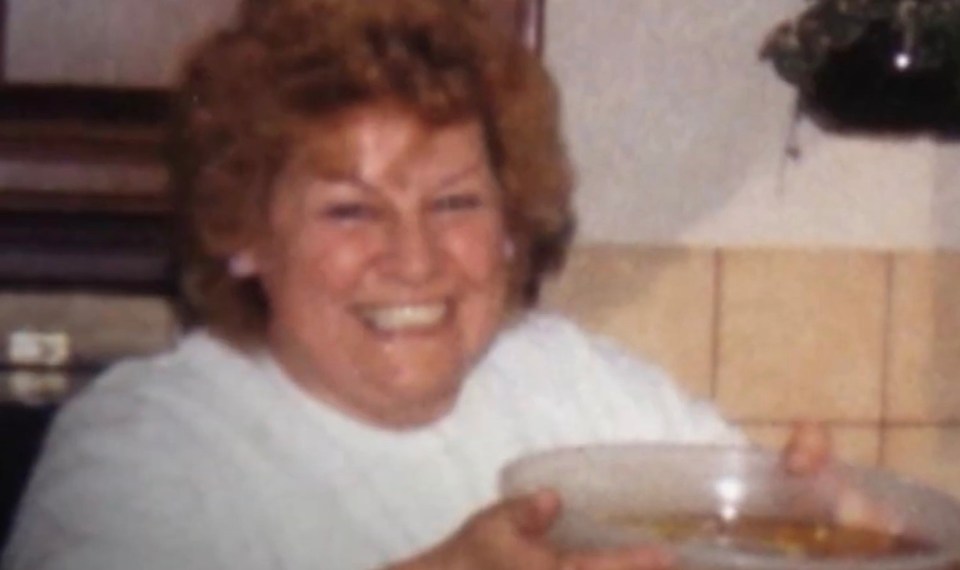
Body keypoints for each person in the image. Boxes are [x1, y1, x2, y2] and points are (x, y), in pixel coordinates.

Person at [2, 1, 829, 569]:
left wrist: (833, 528)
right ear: (245, 234)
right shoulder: (144, 444)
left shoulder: (575, 385)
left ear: (511, 226)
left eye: (455, 202)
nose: (415, 258)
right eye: (351, 211)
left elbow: (768, 526)